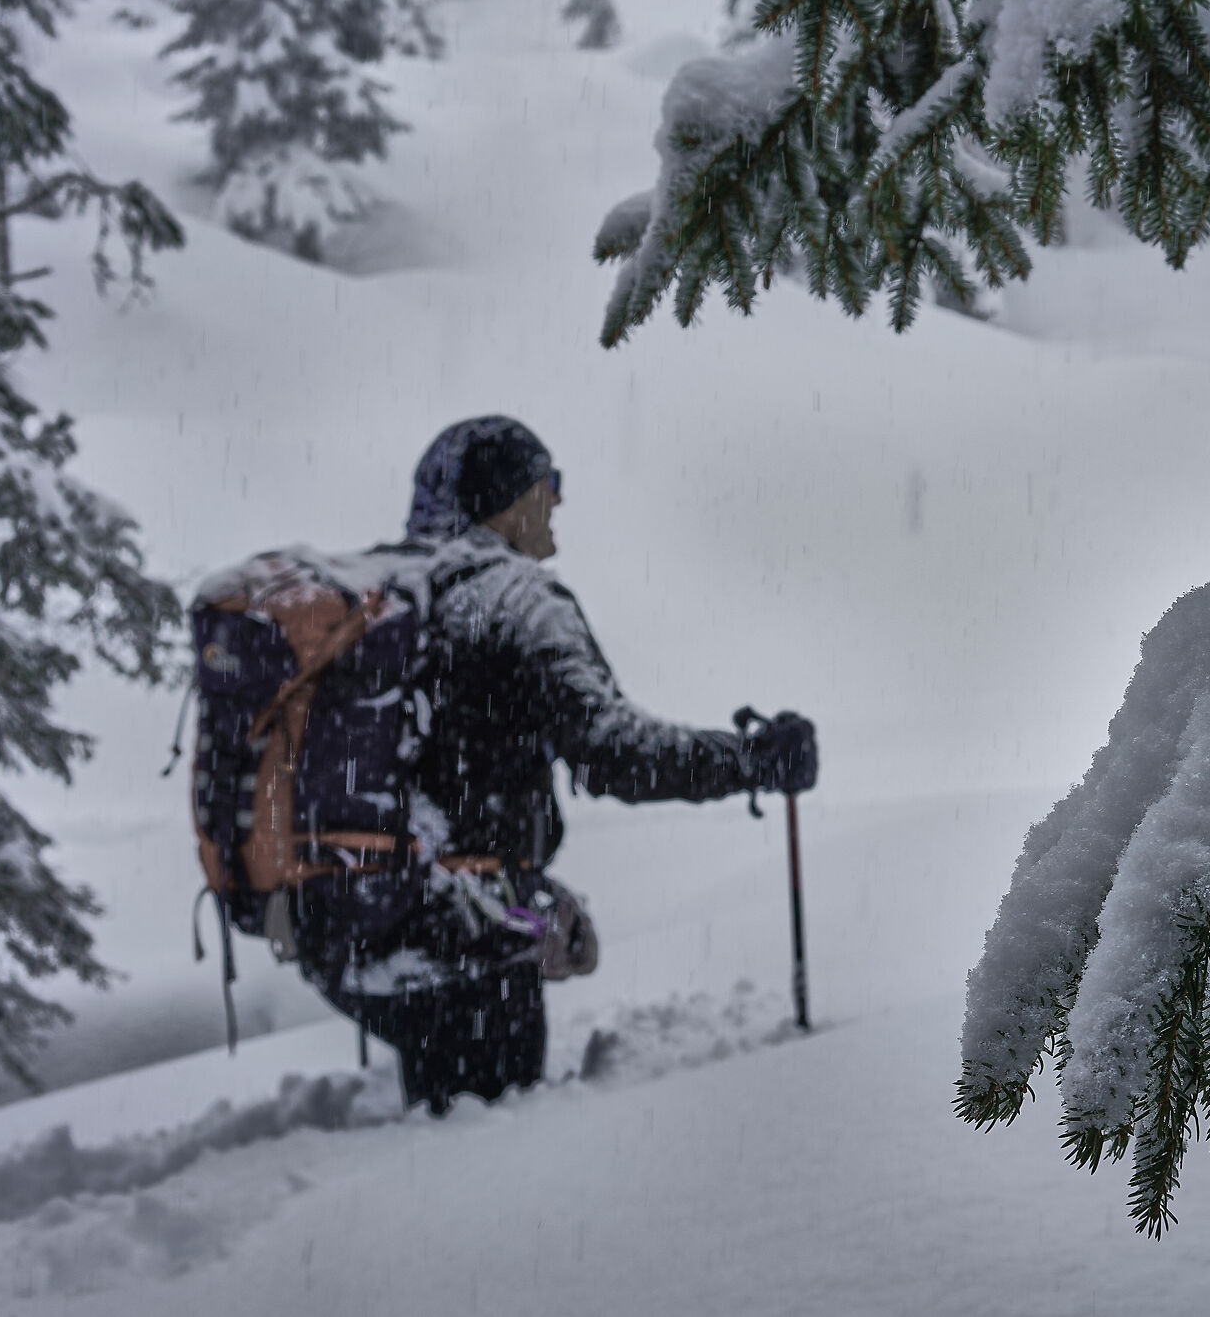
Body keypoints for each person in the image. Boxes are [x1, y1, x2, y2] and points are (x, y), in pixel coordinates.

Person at [290, 415, 816, 1113]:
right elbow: (615, 754)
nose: (559, 501)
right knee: (482, 1161)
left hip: (344, 922)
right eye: (550, 484)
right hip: (461, 943)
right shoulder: (518, 601)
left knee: (442, 1126)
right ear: (508, 500)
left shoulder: (372, 596)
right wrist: (751, 761)